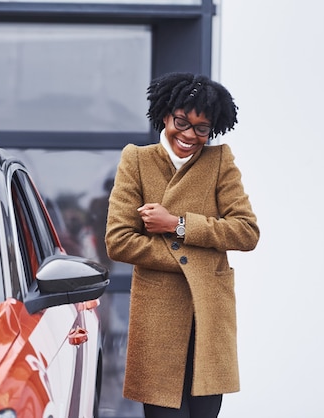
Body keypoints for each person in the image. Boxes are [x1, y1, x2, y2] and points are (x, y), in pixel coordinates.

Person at [105, 72, 260, 418]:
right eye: (181, 122)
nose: (189, 135)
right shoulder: (137, 160)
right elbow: (119, 241)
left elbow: (246, 231)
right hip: (158, 317)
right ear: (165, 116)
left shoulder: (220, 162)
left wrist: (177, 225)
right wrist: (195, 261)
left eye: (201, 128)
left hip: (209, 318)